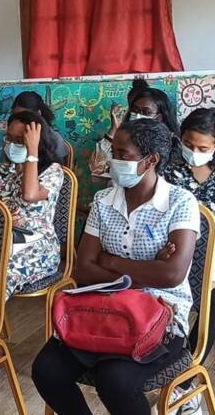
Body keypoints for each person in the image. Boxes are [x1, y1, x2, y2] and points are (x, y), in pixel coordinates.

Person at [32, 119, 200, 415]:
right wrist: (148, 269)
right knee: (46, 370)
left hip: (162, 315)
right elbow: (83, 268)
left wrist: (110, 262)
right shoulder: (103, 200)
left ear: (151, 160)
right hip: (104, 309)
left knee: (115, 381)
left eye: (123, 155)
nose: (114, 160)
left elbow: (172, 275)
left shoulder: (179, 201)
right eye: (114, 151)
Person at [0, 111, 65, 394]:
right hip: (2, 239)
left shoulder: (53, 172)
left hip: (38, 246)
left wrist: (31, 153)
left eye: (22, 139)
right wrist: (4, 216)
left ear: (36, 140)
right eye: (11, 138)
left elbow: (30, 194)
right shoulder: (0, 172)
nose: (13, 144)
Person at [163, 108, 215, 349]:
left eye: (202, 149)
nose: (194, 152)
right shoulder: (168, 172)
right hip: (172, 247)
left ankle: (190, 362)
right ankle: (167, 352)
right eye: (188, 144)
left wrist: (208, 249)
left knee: (214, 295)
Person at [89, 86, 180, 180]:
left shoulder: (169, 143)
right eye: (135, 110)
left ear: (159, 117)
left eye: (146, 112)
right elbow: (96, 170)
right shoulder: (124, 139)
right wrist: (114, 130)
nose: (138, 115)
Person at [12, 91, 69, 163]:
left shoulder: (55, 139)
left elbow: (61, 170)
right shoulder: (11, 139)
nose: (19, 121)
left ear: (38, 114)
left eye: (24, 116)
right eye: (15, 116)